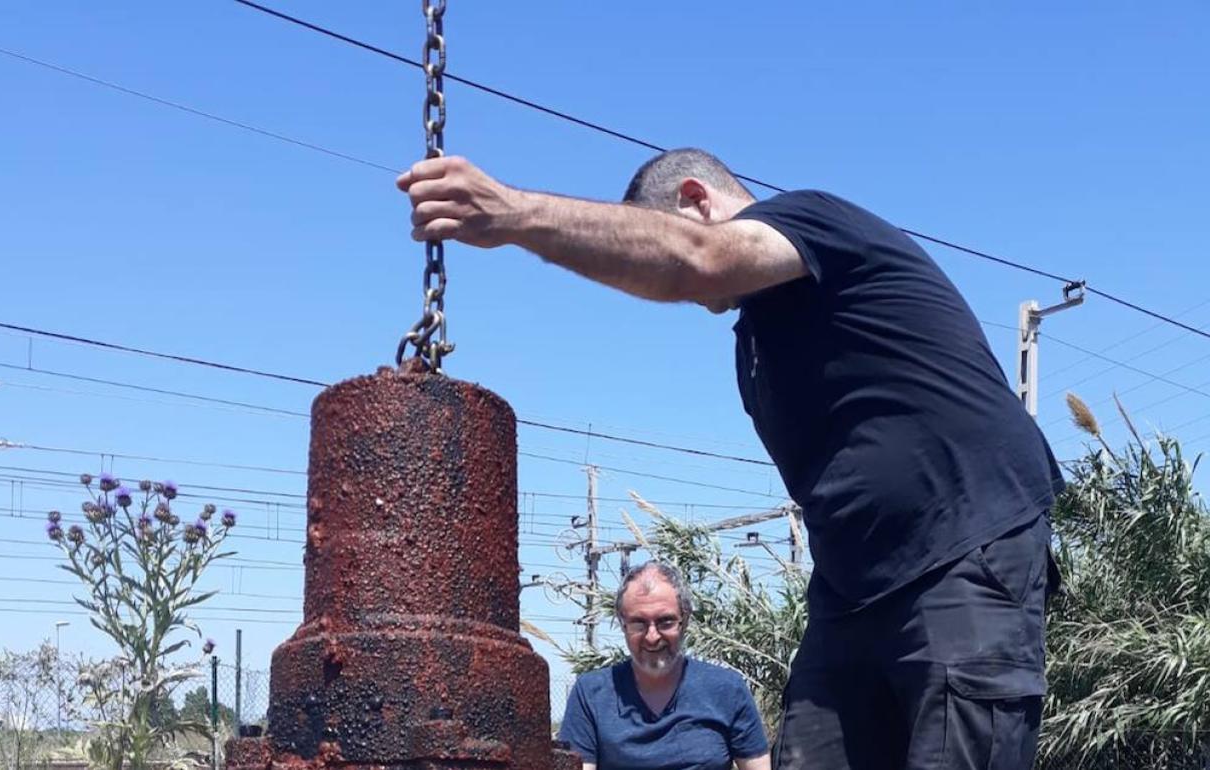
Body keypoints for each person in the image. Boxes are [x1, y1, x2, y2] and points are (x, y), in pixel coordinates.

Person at [397, 149, 1064, 769]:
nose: (671, 288)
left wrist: (515, 215)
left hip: (964, 550)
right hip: (852, 589)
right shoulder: (756, 347)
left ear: (696, 198)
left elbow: (699, 259)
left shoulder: (812, 220)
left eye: (649, 239)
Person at [557, 562, 770, 770]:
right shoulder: (591, 693)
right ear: (623, 625)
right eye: (639, 623)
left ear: (684, 621)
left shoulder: (727, 689)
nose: (652, 636)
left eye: (665, 622)